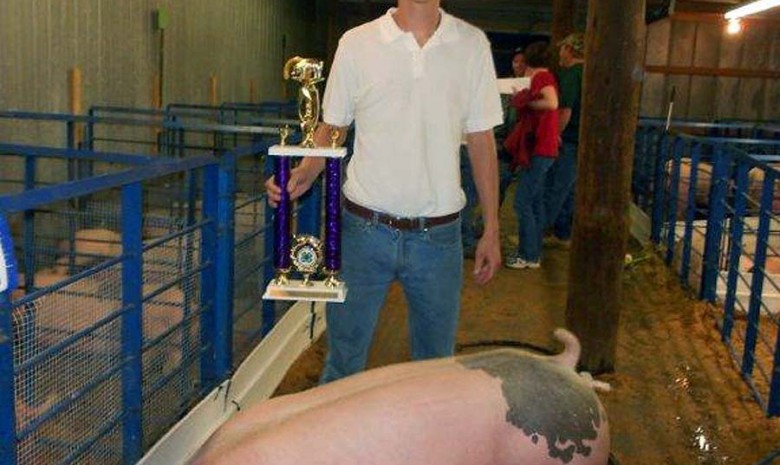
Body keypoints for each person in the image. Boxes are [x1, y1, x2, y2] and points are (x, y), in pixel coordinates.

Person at [266, 0, 503, 383]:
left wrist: (491, 227)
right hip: (363, 232)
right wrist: (305, 171)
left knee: (435, 369)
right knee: (343, 363)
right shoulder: (357, 43)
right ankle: (339, 442)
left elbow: (481, 138)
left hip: (439, 237)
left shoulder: (471, 45)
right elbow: (333, 125)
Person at [462, 47, 527, 258]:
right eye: (516, 61)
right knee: (472, 195)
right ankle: (466, 238)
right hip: (483, 147)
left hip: (485, 147)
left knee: (477, 194)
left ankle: (473, 233)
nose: (518, 66)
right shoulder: (500, 88)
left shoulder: (498, 87)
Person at [503, 41, 559, 269]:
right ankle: (532, 253)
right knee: (534, 202)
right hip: (543, 147)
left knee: (523, 202)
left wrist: (526, 100)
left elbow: (551, 103)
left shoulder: (540, 78)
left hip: (538, 147)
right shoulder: (545, 77)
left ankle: (528, 254)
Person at [544, 33, 585, 247]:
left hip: (568, 138)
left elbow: (565, 109)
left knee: (555, 188)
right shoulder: (588, 73)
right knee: (568, 189)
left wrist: (555, 135)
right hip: (581, 140)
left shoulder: (570, 75)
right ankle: (563, 233)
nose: (560, 53)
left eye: (562, 49)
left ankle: (539, 233)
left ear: (570, 50)